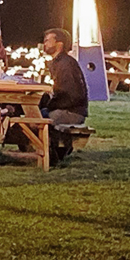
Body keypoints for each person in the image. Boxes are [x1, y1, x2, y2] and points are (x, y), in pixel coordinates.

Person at [36, 28, 89, 161]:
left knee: (37, 118)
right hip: (63, 107)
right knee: (36, 113)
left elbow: (72, 95)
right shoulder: (57, 63)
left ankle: (52, 153)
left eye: (48, 40)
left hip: (72, 112)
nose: (45, 43)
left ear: (59, 44)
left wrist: (50, 106)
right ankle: (49, 150)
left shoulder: (66, 65)